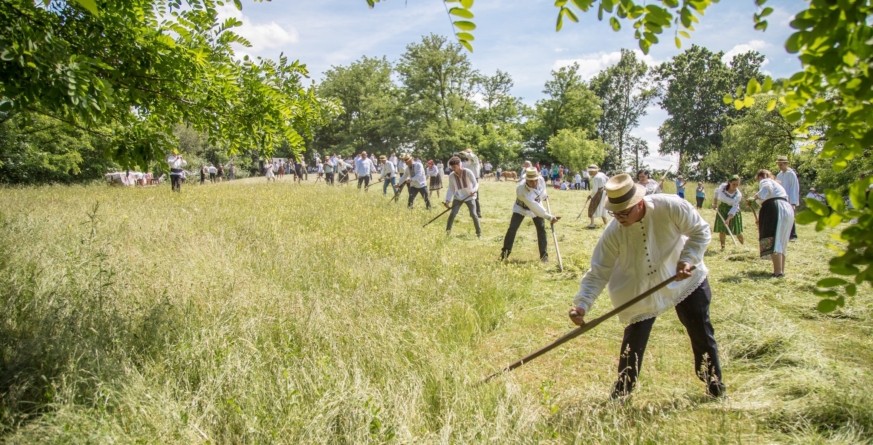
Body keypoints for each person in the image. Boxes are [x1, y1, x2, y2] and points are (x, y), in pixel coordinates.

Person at [568, 173, 723, 399]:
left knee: (700, 331)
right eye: (614, 212)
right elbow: (599, 271)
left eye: (624, 212)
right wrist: (582, 304)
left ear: (638, 203)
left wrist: (687, 259)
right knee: (634, 339)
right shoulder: (613, 232)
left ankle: (715, 386)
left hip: (684, 278)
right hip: (641, 287)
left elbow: (700, 231)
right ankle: (622, 393)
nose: (619, 218)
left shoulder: (671, 206)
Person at [499, 167, 559, 262]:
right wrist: (550, 217)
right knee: (512, 229)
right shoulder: (521, 190)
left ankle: (544, 257)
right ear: (526, 180)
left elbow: (543, 190)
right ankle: (504, 254)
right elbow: (534, 208)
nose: (534, 183)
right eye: (530, 181)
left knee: (541, 230)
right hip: (521, 208)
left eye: (535, 180)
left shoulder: (540, 180)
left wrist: (543, 196)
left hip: (537, 204)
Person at [749, 169, 795, 278]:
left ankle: (777, 272)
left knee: (774, 239)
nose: (759, 181)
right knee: (782, 240)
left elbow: (766, 189)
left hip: (775, 208)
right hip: (786, 208)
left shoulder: (765, 181)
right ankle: (780, 270)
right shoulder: (778, 186)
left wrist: (753, 197)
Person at [444, 156, 482, 238]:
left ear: (459, 164)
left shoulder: (468, 172)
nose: (453, 169)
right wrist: (447, 200)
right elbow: (451, 189)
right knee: (453, 214)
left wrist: (474, 190)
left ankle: (479, 234)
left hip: (470, 196)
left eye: (454, 167)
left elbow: (476, 184)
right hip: (458, 197)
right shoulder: (451, 176)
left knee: (474, 214)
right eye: (452, 167)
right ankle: (447, 233)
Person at [712, 175, 745, 249]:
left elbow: (734, 207)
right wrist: (715, 203)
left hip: (733, 212)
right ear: (729, 182)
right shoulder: (722, 187)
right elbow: (716, 193)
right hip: (722, 209)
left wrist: (728, 219)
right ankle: (723, 247)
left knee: (737, 231)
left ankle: (743, 246)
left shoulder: (738, 195)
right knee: (722, 229)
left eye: (737, 184)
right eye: (733, 184)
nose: (735, 186)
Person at [775, 155, 799, 241]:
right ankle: (784, 235)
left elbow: (794, 188)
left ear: (785, 164)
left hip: (790, 199)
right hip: (781, 199)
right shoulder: (779, 175)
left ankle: (793, 235)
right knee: (782, 216)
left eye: (781, 164)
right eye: (779, 164)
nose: (780, 166)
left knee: (790, 216)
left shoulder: (791, 174)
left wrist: (793, 201)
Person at [460, 148, 482, 218]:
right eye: (467, 153)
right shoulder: (467, 163)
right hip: (468, 180)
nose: (468, 154)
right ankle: (472, 213)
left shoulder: (475, 159)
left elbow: (471, 156)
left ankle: (478, 213)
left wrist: (464, 153)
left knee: (475, 196)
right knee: (470, 197)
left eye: (469, 152)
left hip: (474, 180)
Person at [588, 164, 609, 229]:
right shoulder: (602, 174)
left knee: (592, 206)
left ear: (595, 171)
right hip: (605, 193)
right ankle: (606, 223)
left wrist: (591, 196)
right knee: (603, 207)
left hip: (598, 194)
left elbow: (595, 190)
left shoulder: (596, 178)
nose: (590, 172)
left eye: (591, 171)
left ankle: (592, 224)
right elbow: (608, 179)